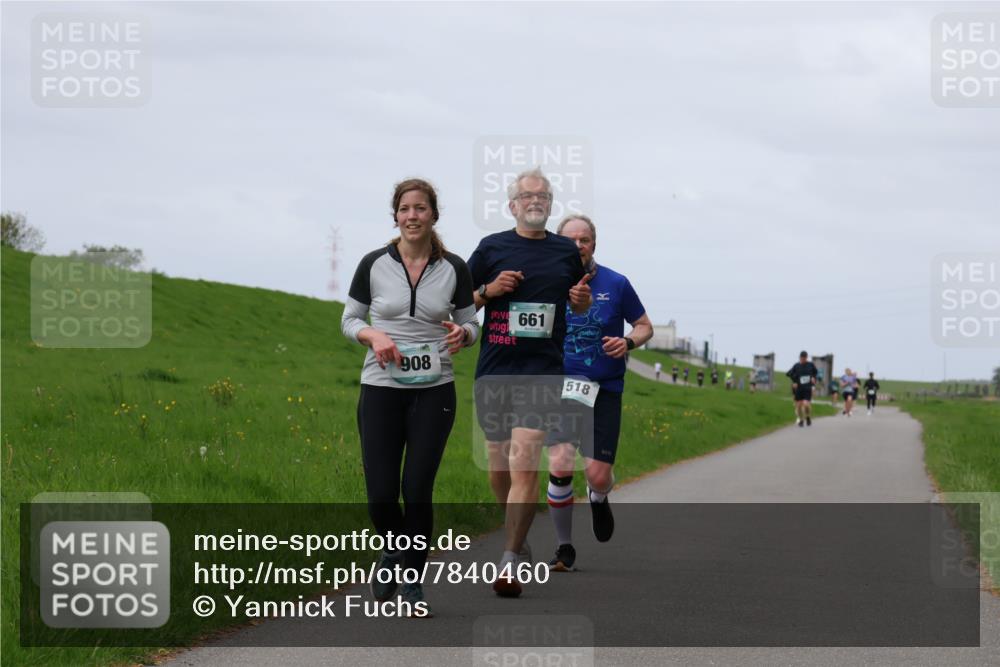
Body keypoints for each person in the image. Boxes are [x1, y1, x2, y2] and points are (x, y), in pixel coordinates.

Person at [341, 178, 480, 615]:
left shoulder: (455, 267)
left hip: (434, 391)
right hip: (381, 387)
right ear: (396, 216)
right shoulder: (372, 264)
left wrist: (464, 334)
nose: (412, 215)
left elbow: (471, 325)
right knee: (381, 494)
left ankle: (413, 583)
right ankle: (393, 550)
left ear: (433, 215)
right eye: (405, 208)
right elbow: (348, 319)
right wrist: (371, 333)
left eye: (421, 208)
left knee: (416, 488)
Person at [468, 168, 591, 598]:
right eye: (527, 195)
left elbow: (579, 299)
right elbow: (461, 302)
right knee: (498, 467)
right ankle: (517, 539)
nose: (535, 200)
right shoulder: (491, 247)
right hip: (495, 369)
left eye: (542, 195)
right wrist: (490, 288)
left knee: (524, 462)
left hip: (542, 371)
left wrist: (581, 300)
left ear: (550, 204)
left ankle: (509, 562)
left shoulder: (565, 252)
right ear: (513, 205)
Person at [545, 215, 653, 572]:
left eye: (585, 239)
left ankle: (598, 496)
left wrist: (627, 342)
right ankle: (564, 549)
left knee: (598, 474)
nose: (578, 246)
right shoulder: (545, 282)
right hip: (561, 386)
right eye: (570, 240)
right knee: (560, 463)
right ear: (557, 243)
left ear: (594, 243)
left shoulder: (616, 283)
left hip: (605, 387)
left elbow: (644, 325)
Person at [786, 351, 819, 427]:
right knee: (798, 406)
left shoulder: (811, 365)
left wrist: (814, 378)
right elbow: (788, 374)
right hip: (799, 389)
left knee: (806, 404)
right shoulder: (796, 366)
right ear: (799, 358)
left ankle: (807, 416)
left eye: (804, 358)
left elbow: (815, 373)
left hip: (807, 388)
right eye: (801, 358)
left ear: (806, 358)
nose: (802, 360)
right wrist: (794, 381)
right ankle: (801, 420)